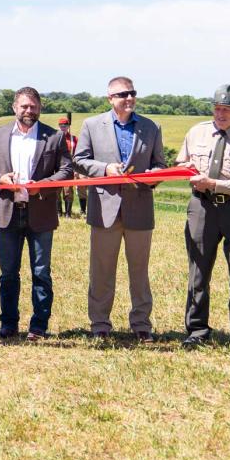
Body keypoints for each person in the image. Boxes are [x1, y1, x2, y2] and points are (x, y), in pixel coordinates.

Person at [73, 77, 165, 341]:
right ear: (110, 98)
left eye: (132, 93)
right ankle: (100, 323)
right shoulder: (92, 125)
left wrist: (155, 175)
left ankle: (141, 324)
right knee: (101, 270)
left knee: (140, 271)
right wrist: (104, 169)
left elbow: (159, 163)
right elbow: (79, 160)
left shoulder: (151, 127)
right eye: (122, 94)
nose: (129, 98)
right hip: (105, 209)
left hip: (140, 208)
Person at [0, 87, 73, 340]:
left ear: (39, 108)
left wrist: (44, 184)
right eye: (24, 106)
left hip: (40, 213)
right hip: (8, 212)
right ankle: (8, 323)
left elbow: (66, 170)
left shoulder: (53, 137)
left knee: (41, 272)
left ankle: (38, 326)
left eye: (33, 106)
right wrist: (1, 178)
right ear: (14, 108)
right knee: (8, 274)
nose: (29, 111)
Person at [177, 84, 230, 358]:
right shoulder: (196, 132)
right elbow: (182, 164)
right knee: (198, 272)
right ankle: (197, 331)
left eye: (227, 109)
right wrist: (184, 172)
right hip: (201, 208)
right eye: (217, 107)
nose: (220, 113)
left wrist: (214, 183)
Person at [56, 116, 79, 218]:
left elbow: (77, 155)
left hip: (69, 168)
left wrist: (76, 169)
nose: (63, 127)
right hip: (56, 169)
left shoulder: (74, 139)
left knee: (68, 191)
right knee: (56, 191)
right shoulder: (55, 138)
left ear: (68, 126)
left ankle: (68, 214)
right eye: (61, 125)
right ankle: (58, 212)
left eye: (65, 125)